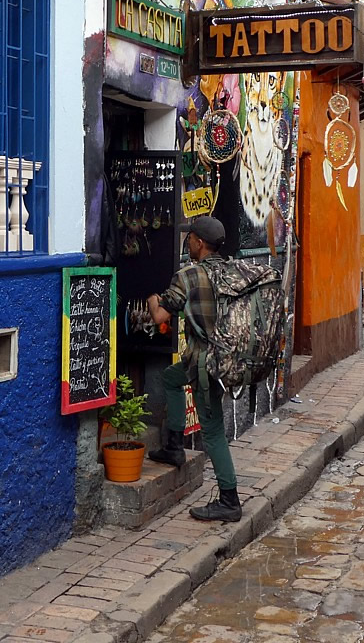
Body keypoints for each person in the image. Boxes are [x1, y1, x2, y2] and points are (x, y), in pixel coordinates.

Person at [146, 216, 241, 522]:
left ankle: (230, 500)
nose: (187, 242)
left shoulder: (188, 275)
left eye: (190, 239)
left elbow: (160, 317)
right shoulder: (231, 271)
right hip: (224, 358)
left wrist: (151, 300)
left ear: (199, 242)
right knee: (171, 379)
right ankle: (174, 444)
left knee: (213, 433)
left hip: (205, 364)